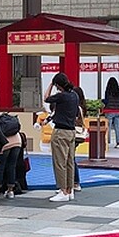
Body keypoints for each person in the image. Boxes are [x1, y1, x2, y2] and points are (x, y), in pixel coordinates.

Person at [44, 72, 80, 202]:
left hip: (60, 131)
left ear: (58, 85)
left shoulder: (61, 96)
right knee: (70, 161)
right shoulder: (74, 95)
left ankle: (63, 190)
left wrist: (50, 84)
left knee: (59, 162)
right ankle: (70, 190)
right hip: (71, 132)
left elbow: (46, 98)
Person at [103, 78, 119, 148]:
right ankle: (118, 142)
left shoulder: (108, 91)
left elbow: (106, 101)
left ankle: (108, 142)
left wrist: (102, 101)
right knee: (117, 127)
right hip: (118, 111)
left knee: (108, 126)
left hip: (110, 111)